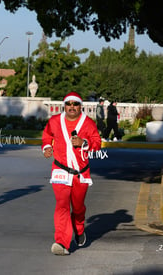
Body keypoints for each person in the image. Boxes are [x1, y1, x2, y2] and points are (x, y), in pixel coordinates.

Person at [42, 91, 101, 256]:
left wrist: (84, 142)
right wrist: (46, 147)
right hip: (60, 169)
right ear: (64, 105)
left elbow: (97, 144)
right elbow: (47, 136)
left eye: (75, 104)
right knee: (62, 205)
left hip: (80, 173)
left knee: (78, 207)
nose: (72, 107)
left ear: (80, 106)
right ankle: (61, 242)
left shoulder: (88, 123)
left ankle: (79, 229)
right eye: (69, 104)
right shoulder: (54, 121)